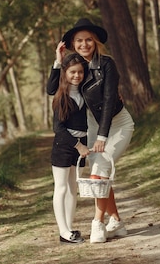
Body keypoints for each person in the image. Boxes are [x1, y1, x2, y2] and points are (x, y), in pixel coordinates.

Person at [48, 18, 135, 243]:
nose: (84, 44)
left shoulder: (106, 64)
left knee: (100, 169)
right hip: (94, 125)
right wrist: (58, 62)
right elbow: (52, 89)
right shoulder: (78, 67)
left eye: (88, 40)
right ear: (73, 44)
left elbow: (108, 102)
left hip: (117, 123)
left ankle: (97, 223)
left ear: (95, 42)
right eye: (79, 40)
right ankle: (116, 221)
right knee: (100, 171)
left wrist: (103, 137)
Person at [46, 52, 91, 245]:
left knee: (74, 188)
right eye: (72, 72)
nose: (76, 75)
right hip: (64, 147)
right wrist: (79, 145)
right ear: (65, 73)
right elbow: (58, 129)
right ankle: (63, 231)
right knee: (62, 187)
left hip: (80, 146)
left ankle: (69, 228)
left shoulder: (84, 93)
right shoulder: (61, 96)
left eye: (80, 72)